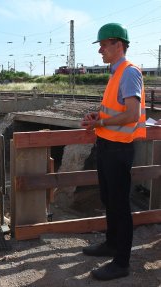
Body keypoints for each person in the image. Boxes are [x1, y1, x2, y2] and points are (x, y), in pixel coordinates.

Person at [81, 23, 146, 281]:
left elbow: (131, 114)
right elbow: (117, 109)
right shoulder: (115, 73)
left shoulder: (129, 73)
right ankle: (111, 243)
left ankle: (121, 262)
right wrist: (100, 115)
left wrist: (100, 122)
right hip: (107, 144)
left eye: (104, 44)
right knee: (109, 200)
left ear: (119, 44)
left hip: (119, 148)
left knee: (120, 205)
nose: (100, 50)